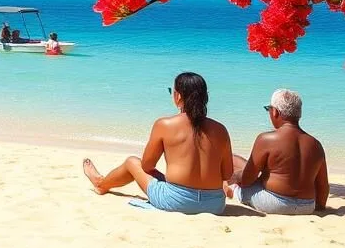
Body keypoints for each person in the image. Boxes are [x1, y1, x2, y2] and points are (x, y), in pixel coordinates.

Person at [82, 72, 233, 215]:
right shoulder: (220, 129)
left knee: (132, 162)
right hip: (215, 204)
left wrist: (168, 178)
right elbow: (227, 174)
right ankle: (101, 183)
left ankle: (101, 184)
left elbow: (147, 165)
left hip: (177, 201)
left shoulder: (165, 125)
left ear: (178, 96)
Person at [227, 89, 329, 215]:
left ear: (275, 112)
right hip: (307, 205)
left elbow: (247, 180)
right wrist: (319, 206)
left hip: (276, 203)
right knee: (236, 160)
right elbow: (323, 185)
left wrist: (235, 178)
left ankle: (229, 188)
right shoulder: (316, 144)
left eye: (268, 109)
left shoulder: (266, 139)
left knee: (240, 188)